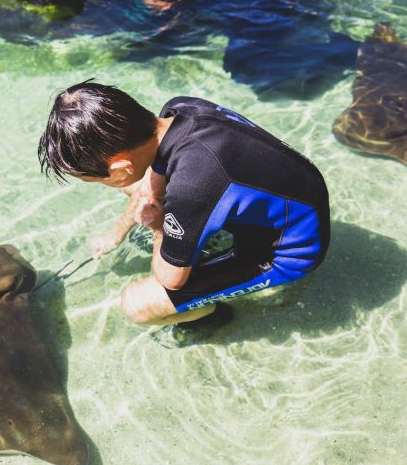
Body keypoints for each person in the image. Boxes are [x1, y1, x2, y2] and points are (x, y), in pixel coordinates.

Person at [37, 80, 330, 328]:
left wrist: (157, 225)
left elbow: (170, 278)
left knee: (137, 305)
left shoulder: (193, 186)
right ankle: (196, 241)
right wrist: (117, 233)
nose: (105, 183)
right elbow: (147, 186)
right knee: (143, 184)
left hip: (291, 249)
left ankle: (207, 317)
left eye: (100, 179)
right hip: (297, 198)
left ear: (121, 166)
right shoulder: (179, 109)